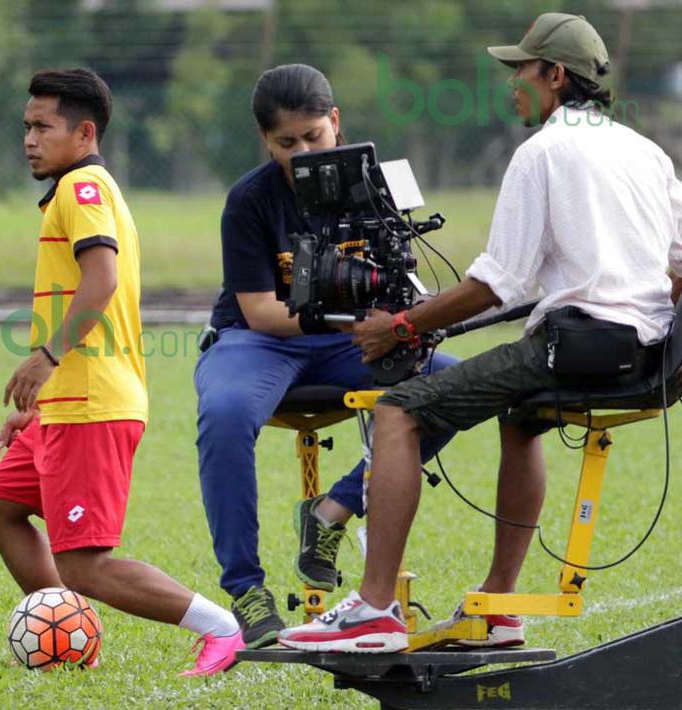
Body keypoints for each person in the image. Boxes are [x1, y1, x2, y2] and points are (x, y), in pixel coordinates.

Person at [279, 13, 682, 653]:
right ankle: (499, 607)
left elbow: (499, 283)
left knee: (397, 412)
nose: (511, 84)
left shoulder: (541, 152)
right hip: (645, 354)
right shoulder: (646, 152)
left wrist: (401, 325)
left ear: (555, 75)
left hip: (573, 346)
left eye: (521, 70)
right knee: (521, 419)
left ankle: (374, 609)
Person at [0, 68, 244, 675]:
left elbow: (101, 280)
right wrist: (40, 404)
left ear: (85, 133)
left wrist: (46, 359)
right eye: (26, 126)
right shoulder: (76, 189)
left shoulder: (83, 189)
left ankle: (224, 629)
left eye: (44, 127)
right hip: (67, 403)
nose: (29, 139)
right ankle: (67, 634)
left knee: (85, 565)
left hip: (93, 405)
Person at [194, 63, 460, 650]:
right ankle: (247, 592)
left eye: (313, 136)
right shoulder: (249, 200)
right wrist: (346, 321)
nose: (303, 153)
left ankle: (332, 510)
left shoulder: (376, 186)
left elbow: (400, 280)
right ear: (265, 140)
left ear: (335, 121)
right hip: (259, 339)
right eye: (286, 143)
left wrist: (396, 319)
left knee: (456, 386)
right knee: (226, 414)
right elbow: (261, 311)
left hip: (350, 341)